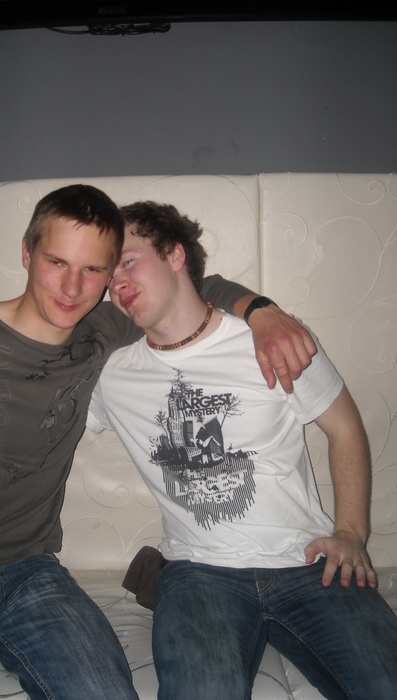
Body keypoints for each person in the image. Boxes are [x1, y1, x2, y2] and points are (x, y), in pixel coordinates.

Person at [0, 161, 316, 700]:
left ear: (109, 279)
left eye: (92, 270)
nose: (71, 287)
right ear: (26, 253)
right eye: (56, 262)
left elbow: (198, 287)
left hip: (31, 576)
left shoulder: (99, 332)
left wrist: (263, 312)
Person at [87, 201, 397, 700]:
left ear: (174, 255)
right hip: (197, 573)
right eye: (108, 274)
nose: (115, 282)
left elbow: (343, 426)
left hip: (308, 563)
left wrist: (351, 533)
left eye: (127, 261)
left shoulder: (275, 341)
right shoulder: (111, 374)